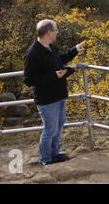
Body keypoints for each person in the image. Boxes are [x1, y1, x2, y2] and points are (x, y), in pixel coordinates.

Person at [24, 19, 86, 166]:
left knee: (58, 126)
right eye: (55, 30)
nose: (57, 32)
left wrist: (75, 50)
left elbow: (60, 60)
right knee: (50, 129)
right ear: (48, 32)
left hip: (59, 95)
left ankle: (54, 154)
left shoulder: (51, 47)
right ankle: (45, 159)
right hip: (47, 99)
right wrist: (54, 76)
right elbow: (29, 80)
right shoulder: (33, 53)